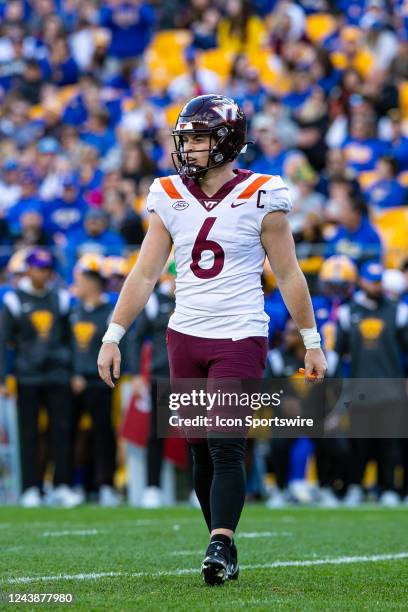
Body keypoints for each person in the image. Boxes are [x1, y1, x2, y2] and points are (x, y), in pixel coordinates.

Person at [97, 94, 327, 585]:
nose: (188, 148)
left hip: (239, 333)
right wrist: (112, 335)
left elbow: (288, 275)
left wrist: (311, 339)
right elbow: (143, 274)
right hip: (185, 333)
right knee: (199, 445)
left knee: (226, 444)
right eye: (186, 139)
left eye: (198, 138)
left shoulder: (264, 194)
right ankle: (222, 544)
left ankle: (219, 542)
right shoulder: (167, 194)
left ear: (225, 143)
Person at [0, 248, 81, 508]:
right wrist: (3, 378)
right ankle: (31, 488)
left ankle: (62, 485)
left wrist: (74, 371)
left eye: (46, 269)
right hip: (28, 376)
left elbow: (72, 340)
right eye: (38, 268)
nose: (42, 273)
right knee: (29, 433)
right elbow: (3, 343)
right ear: (28, 269)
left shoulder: (61, 298)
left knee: (62, 431)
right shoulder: (13, 300)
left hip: (58, 374)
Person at [70, 254, 119, 507]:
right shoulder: (72, 311)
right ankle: (73, 484)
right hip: (74, 381)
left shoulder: (110, 312)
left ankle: (105, 485)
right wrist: (71, 373)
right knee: (70, 434)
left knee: (103, 435)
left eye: (80, 280)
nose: (75, 285)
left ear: (91, 282)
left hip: (102, 381)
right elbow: (66, 346)